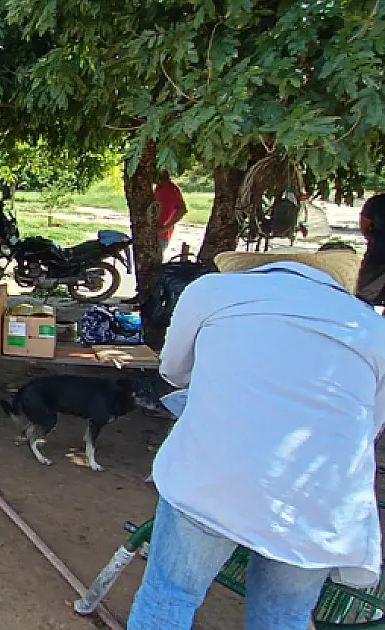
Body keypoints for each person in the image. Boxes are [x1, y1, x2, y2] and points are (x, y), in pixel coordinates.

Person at [126, 247, 385, 630]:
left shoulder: (211, 291)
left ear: (257, 270)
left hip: (214, 478)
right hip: (322, 497)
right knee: (284, 615)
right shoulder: (369, 326)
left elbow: (175, 371)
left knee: (171, 593)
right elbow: (369, 422)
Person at [356, 193, 385, 308]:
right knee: (364, 297)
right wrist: (375, 242)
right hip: (377, 257)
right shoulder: (376, 202)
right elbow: (364, 226)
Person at [155, 170, 188, 254]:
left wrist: (165, 227)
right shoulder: (159, 187)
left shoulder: (170, 188)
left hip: (161, 236)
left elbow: (182, 209)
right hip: (154, 234)